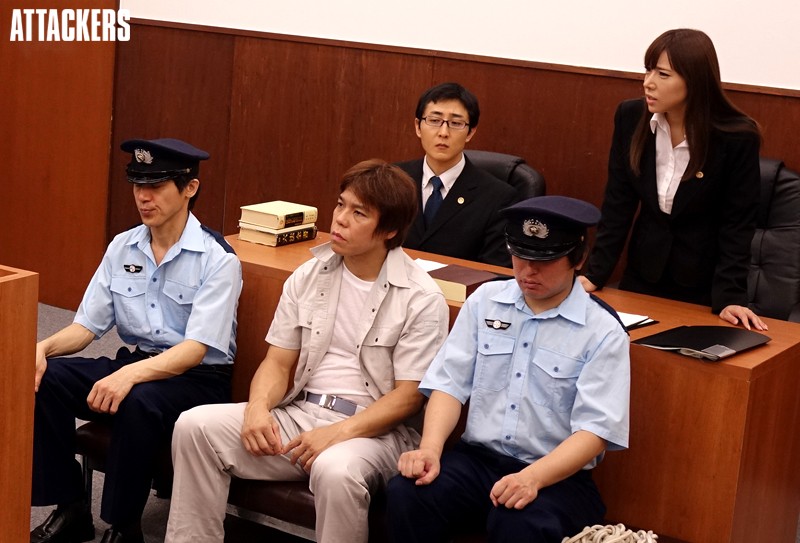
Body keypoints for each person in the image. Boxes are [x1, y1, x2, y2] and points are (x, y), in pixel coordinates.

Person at [164, 159, 450, 543]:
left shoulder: (421, 297)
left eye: (359, 213)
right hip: (301, 414)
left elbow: (409, 397)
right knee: (194, 427)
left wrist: (336, 433)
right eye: (341, 204)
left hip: (373, 433)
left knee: (335, 469)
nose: (341, 219)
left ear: (389, 230)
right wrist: (257, 409)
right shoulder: (310, 274)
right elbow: (277, 362)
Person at [30, 138, 242, 543]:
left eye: (156, 186)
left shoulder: (218, 258)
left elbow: (195, 350)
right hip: (141, 363)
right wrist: (41, 348)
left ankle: (123, 526)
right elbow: (87, 326)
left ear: (190, 188)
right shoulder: (123, 246)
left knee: (138, 399)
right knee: (46, 379)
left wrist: (129, 377)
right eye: (137, 185)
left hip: (198, 380)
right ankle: (70, 507)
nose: (144, 197)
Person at [387, 195, 630, 543]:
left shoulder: (602, 330)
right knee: (408, 493)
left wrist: (533, 478)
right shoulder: (485, 301)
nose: (528, 271)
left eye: (544, 261)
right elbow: (449, 384)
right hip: (478, 461)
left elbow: (596, 431)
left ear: (578, 259)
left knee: (519, 522)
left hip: (557, 477)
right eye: (520, 256)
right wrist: (430, 449)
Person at [579, 28, 767, 331]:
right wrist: (595, 274)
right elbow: (618, 203)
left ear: (694, 81)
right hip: (642, 277)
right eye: (648, 70)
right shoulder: (630, 117)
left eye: (663, 74)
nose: (648, 82)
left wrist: (730, 297)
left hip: (703, 286)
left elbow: (738, 224)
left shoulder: (737, 137)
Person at [397, 82, 519, 267]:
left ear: (470, 132)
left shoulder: (499, 198)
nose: (443, 132)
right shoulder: (393, 179)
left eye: (456, 123)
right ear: (418, 127)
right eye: (434, 120)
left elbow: (494, 270)